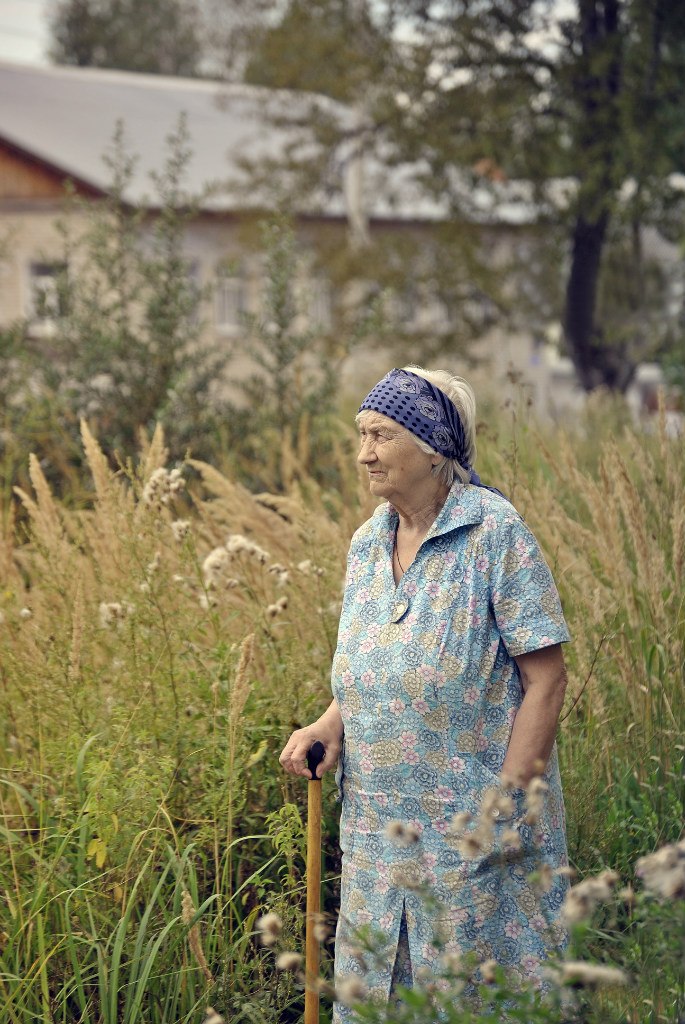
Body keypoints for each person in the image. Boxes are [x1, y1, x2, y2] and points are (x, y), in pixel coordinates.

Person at [279, 366, 571, 1019]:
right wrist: (330, 723)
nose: (365, 454)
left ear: (433, 446)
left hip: (471, 836)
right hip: (376, 836)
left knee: (470, 1001)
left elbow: (545, 678)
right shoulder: (366, 543)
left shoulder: (493, 533)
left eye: (381, 435)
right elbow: (377, 664)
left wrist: (504, 806)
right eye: (361, 435)